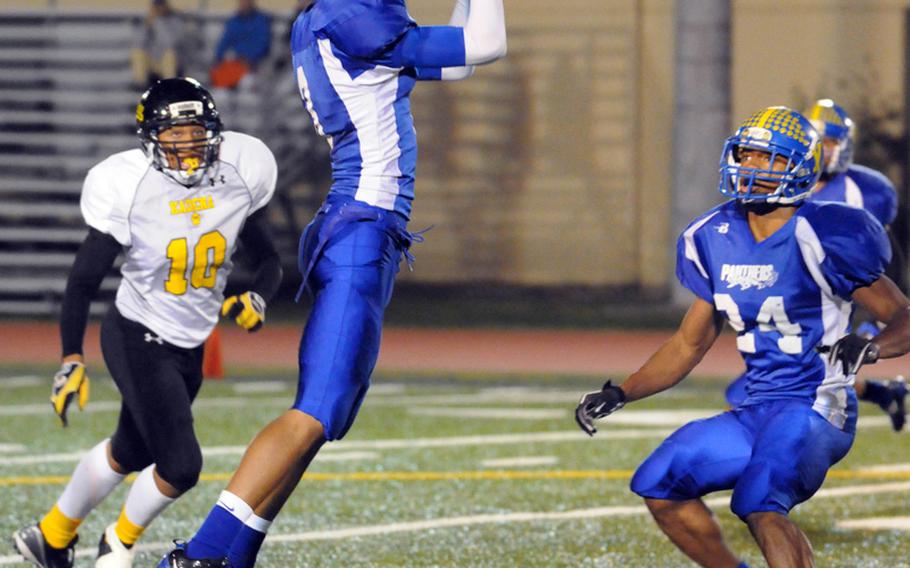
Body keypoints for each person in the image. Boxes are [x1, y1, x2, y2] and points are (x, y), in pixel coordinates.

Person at [159, 1, 507, 566]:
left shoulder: (333, 18)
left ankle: (233, 554)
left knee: (325, 416)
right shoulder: (349, 13)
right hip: (359, 233)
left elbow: (463, 60)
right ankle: (198, 556)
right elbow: (486, 45)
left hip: (358, 229)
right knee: (314, 412)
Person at [576, 106, 910, 568]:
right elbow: (687, 345)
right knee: (659, 482)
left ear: (796, 166)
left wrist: (871, 347)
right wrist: (621, 392)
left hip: (816, 406)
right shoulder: (712, 235)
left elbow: (903, 315)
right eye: (745, 155)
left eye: (764, 158)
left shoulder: (826, 231)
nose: (749, 167)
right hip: (757, 407)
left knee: (759, 502)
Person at [12, 77, 282, 568]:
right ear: (151, 138)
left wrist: (259, 298)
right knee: (180, 466)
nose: (186, 144)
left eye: (195, 129)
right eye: (173, 134)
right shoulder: (129, 186)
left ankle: (50, 538)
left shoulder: (240, 172)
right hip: (137, 332)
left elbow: (270, 261)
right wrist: (71, 357)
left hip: (191, 339)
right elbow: (81, 281)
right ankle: (117, 542)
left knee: (128, 451)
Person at [723, 98, 907, 431]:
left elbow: (884, 262)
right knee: (780, 383)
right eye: (817, 141)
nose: (823, 149)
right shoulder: (775, 183)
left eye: (831, 141)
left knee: (766, 389)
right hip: (798, 298)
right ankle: (884, 394)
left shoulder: (866, 191)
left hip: (847, 298)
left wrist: (872, 325)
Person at [131, 0, 185, 89]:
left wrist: (158, 22)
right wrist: (147, 26)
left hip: (167, 62)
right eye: (156, 6)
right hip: (151, 61)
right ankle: (139, 83)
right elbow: (139, 43)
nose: (159, 9)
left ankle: (169, 85)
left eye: (161, 6)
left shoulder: (175, 21)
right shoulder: (147, 21)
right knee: (138, 52)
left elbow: (169, 43)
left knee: (169, 54)